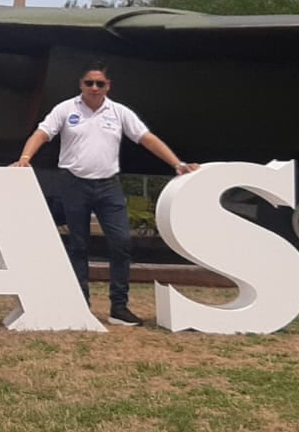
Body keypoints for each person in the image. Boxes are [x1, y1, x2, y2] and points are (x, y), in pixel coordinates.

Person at [13, 64, 199, 326]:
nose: (94, 88)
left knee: (121, 242)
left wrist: (177, 164)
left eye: (100, 84)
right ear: (81, 85)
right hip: (74, 183)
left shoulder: (118, 112)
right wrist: (24, 158)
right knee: (79, 245)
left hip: (108, 185)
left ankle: (119, 307)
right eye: (89, 83)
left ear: (108, 86)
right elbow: (42, 133)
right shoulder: (66, 109)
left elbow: (146, 138)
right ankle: (81, 306)